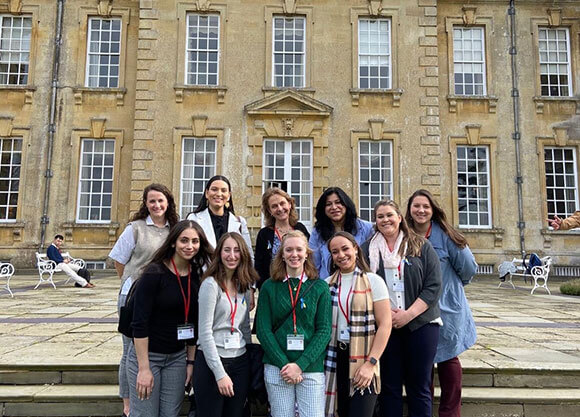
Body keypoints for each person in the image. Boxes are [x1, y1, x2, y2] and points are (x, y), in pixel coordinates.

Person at [361, 199, 442, 417]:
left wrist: (408, 315)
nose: (385, 220)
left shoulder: (419, 245)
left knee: (419, 388)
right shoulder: (368, 249)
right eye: (380, 216)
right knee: (390, 388)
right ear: (375, 221)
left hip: (421, 325)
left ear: (399, 217)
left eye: (389, 215)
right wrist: (386, 314)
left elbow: (433, 285)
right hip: (385, 328)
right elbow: (363, 284)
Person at [127, 220, 213, 417]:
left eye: (195, 241)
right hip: (148, 356)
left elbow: (194, 324)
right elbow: (139, 323)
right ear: (173, 242)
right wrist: (144, 368)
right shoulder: (154, 273)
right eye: (184, 240)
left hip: (176, 359)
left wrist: (190, 363)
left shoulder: (197, 276)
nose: (189, 246)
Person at [109, 183, 179, 417]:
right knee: (130, 349)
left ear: (168, 202)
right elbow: (120, 260)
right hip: (132, 296)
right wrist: (133, 283)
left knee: (146, 345)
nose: (156, 205)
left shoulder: (174, 230)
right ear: (145, 204)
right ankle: (128, 401)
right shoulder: (136, 228)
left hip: (161, 299)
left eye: (160, 200)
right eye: (152, 201)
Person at [406, 189, 478, 417]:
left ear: (433, 210)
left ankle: (450, 413)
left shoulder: (447, 236)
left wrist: (449, 290)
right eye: (416, 206)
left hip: (447, 308)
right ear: (409, 210)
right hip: (417, 309)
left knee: (448, 359)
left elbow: (468, 269)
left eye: (425, 206)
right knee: (422, 362)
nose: (421, 210)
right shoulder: (404, 237)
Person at [256, 230, 331, 417]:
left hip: (310, 366)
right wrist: (284, 364)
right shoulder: (269, 286)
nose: (294, 254)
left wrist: (300, 365)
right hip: (277, 366)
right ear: (281, 254)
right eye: (289, 250)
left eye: (299, 249)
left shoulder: (320, 287)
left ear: (307, 253)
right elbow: (263, 330)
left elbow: (323, 331)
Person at [324, 231, 392, 417]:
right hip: (334, 357)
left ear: (355, 249)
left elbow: (385, 324)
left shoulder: (373, 281)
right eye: (335, 251)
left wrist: (371, 363)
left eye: (345, 249)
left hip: (364, 357)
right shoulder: (326, 284)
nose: (341, 255)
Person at [194, 232, 258, 417]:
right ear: (219, 253)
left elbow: (244, 327)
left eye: (237, 250)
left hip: (240, 361)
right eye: (227, 250)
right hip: (212, 362)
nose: (232, 256)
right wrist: (219, 373)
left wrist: (250, 361)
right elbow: (205, 333)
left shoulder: (244, 285)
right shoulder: (210, 285)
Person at [309, 187, 374, 278]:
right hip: (329, 285)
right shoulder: (317, 232)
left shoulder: (366, 228)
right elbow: (314, 265)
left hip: (360, 282)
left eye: (338, 202)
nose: (334, 207)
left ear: (346, 204)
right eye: (328, 204)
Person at [255, 187, 310, 289]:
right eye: (274, 206)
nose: (280, 209)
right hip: (273, 288)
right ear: (269, 211)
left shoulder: (300, 228)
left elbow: (309, 258)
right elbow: (259, 266)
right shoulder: (264, 234)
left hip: (299, 286)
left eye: (282, 203)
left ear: (289, 204)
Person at [187, 175, 253, 257]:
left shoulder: (240, 222)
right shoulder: (194, 219)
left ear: (229, 195)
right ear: (207, 193)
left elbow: (248, 255)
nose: (219, 194)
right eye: (214, 189)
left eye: (223, 190)